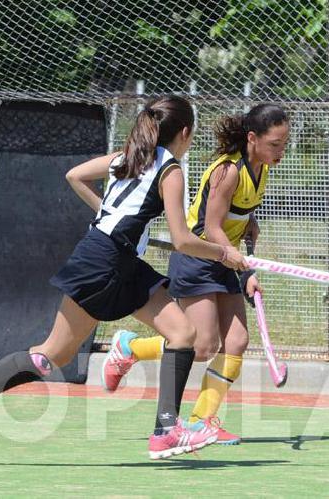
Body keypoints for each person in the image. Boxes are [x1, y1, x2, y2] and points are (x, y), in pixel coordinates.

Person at [0, 95, 248, 459]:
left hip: (109, 256)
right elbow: (182, 240)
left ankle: (166, 429)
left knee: (182, 334)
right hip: (106, 262)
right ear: (184, 132)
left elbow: (76, 175)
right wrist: (223, 253)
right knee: (50, 355)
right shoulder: (171, 170)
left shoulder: (129, 155)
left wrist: (108, 212)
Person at [102, 104, 290, 446]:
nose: (281, 151)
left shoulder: (260, 168)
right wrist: (238, 260)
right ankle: (129, 347)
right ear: (253, 138)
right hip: (199, 258)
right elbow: (212, 226)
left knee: (236, 341)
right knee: (202, 346)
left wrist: (249, 232)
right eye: (275, 144)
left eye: (284, 144)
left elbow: (236, 215)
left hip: (226, 257)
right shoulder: (228, 171)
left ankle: (203, 419)